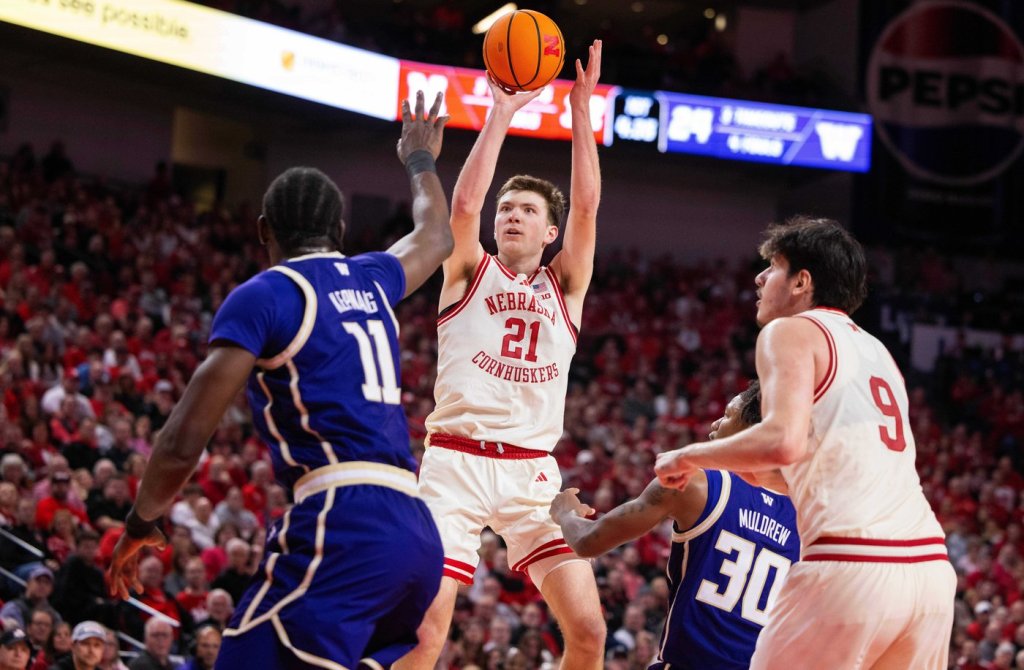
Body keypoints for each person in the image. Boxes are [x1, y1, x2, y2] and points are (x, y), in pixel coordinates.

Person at [108, 90, 453, 668]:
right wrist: (420, 159)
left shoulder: (268, 295)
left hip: (343, 522)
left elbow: (183, 440)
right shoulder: (371, 279)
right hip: (416, 533)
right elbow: (436, 236)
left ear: (263, 230)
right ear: (340, 227)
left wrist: (142, 521)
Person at [654, 218, 956, 669]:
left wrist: (688, 456)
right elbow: (815, 465)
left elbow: (782, 442)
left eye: (773, 266)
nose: (759, 278)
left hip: (851, 566)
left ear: (801, 282)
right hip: (929, 573)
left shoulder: (790, 331)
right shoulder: (879, 353)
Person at [398, 41, 606, 669]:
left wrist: (580, 111)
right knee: (427, 630)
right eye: (506, 208)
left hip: (531, 475)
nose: (512, 215)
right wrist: (502, 111)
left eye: (527, 210)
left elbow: (588, 206)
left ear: (551, 232)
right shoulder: (468, 270)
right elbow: (462, 207)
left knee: (589, 631)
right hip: (455, 463)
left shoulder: (565, 285)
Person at [551, 382, 799, 669]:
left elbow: (588, 541)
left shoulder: (696, 483)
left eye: (728, 415)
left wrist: (566, 513)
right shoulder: (806, 519)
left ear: (752, 430)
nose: (715, 423)